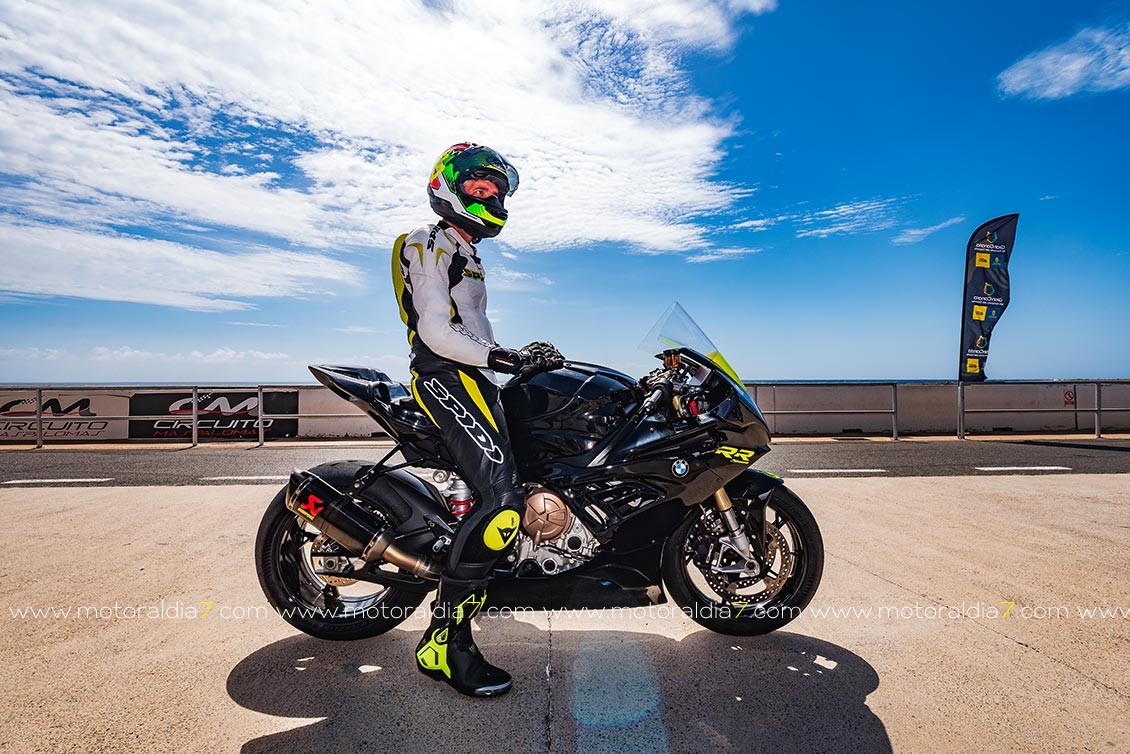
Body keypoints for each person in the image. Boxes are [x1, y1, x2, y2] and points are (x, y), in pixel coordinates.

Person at [390, 143, 562, 697]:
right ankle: (444, 644)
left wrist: (519, 359)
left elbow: (473, 328)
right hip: (444, 375)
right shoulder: (428, 241)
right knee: (502, 502)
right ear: (447, 186)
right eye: (479, 187)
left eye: (496, 191)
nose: (489, 197)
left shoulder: (466, 249)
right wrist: (506, 358)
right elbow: (437, 330)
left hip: (475, 378)